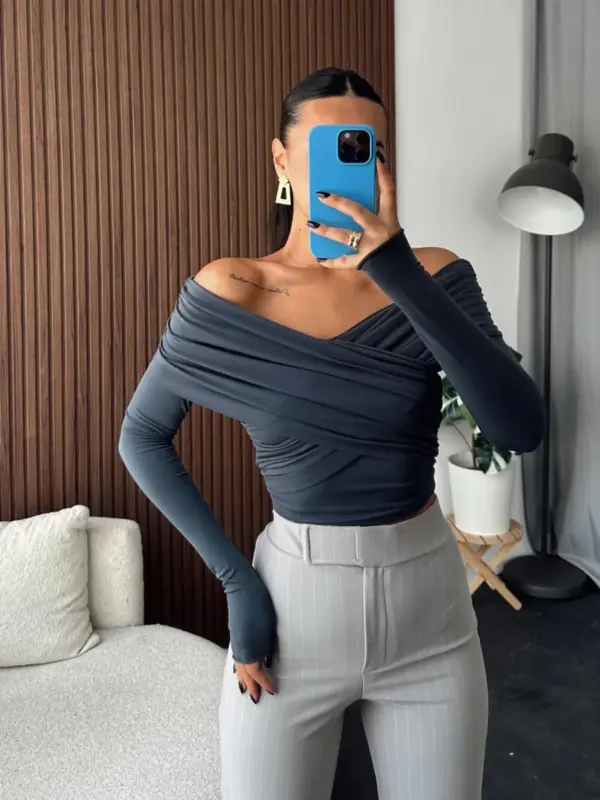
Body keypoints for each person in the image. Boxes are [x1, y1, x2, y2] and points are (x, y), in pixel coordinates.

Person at [119, 67, 545, 800]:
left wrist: (396, 271)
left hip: (430, 612)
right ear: (282, 160)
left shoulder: (435, 275)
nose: (352, 162)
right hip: (293, 609)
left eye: (368, 147)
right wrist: (236, 582)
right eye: (330, 146)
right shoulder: (236, 290)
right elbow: (143, 434)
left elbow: (520, 427)